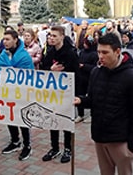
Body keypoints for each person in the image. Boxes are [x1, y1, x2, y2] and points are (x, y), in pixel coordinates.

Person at [74, 33, 133, 175]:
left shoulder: (132, 77)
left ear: (117, 51)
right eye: (99, 52)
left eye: (105, 52)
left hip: (121, 141)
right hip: (100, 137)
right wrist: (81, 101)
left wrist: (131, 146)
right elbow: (93, 100)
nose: (100, 56)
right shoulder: (96, 72)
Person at [41, 25, 79, 164]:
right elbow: (43, 68)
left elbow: (75, 73)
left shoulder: (70, 53)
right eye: (50, 35)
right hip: (52, 92)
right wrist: (51, 70)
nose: (51, 38)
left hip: (66, 93)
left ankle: (68, 148)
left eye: (54, 36)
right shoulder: (49, 52)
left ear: (62, 37)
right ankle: (54, 147)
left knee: (65, 121)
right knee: (52, 120)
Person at [0, 30, 34, 161]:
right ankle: (14, 141)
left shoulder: (24, 57)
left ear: (15, 40)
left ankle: (27, 144)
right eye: (4, 39)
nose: (5, 42)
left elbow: (29, 74)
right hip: (7, 92)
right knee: (9, 117)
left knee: (22, 118)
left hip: (22, 93)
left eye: (7, 39)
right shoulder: (3, 55)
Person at [75, 35, 98, 123]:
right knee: (80, 95)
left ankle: (92, 115)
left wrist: (84, 66)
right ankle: (80, 114)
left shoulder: (94, 54)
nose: (84, 45)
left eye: (86, 43)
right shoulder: (81, 52)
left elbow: (95, 67)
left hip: (90, 78)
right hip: (81, 78)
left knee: (91, 96)